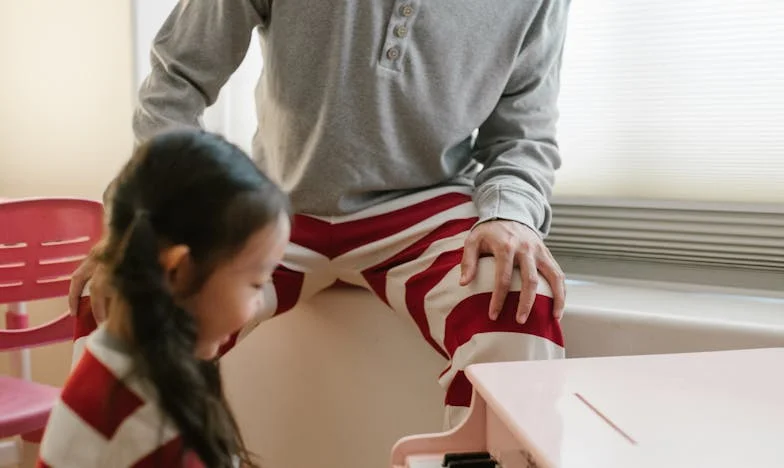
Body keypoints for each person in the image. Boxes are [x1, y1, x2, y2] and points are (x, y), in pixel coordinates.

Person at [70, 0, 571, 429]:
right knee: (122, 298)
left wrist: (511, 215)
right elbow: (176, 77)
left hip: (425, 211)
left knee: (520, 300)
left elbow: (523, 135)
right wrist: (148, 214)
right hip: (272, 207)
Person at [40, 130, 291, 467]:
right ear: (178, 271)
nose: (259, 303)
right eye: (256, 283)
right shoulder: (147, 427)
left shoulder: (113, 358)